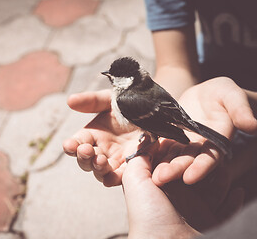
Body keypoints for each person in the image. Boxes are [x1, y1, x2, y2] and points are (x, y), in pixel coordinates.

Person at [63, 78, 257, 237]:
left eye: (114, 78)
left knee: (148, 147)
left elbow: (158, 123)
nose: (111, 80)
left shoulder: (126, 99)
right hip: (173, 115)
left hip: (165, 123)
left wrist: (143, 149)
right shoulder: (142, 86)